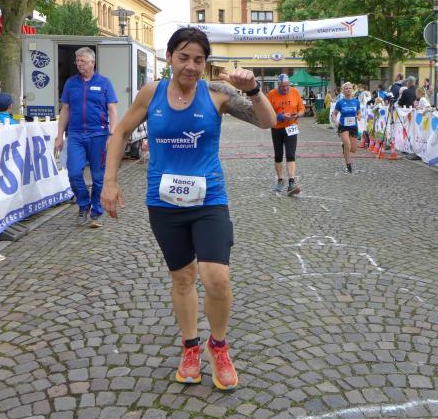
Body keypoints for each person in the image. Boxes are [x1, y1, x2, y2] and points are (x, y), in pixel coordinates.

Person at [100, 27, 275, 390]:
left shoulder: (217, 94)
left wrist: (254, 90)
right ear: (169, 58)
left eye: (198, 59)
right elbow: (120, 133)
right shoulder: (152, 93)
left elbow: (267, 121)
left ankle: (218, 347)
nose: (191, 66)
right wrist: (110, 182)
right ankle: (190, 346)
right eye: (183, 57)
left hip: (209, 200)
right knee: (182, 278)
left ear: (205, 62)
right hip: (164, 203)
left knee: (217, 278)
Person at [56, 47, 118, 228]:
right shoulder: (71, 83)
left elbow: (112, 110)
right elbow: (65, 110)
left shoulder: (104, 83)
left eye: (82, 61)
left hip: (98, 135)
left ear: (92, 62)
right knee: (74, 172)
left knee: (98, 177)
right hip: (75, 135)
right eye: (77, 61)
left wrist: (112, 134)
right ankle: (84, 205)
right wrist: (59, 135)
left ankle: (96, 212)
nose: (79, 64)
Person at [267, 74, 304, 195]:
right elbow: (268, 113)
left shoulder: (295, 92)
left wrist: (298, 114)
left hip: (291, 127)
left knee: (290, 154)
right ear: (278, 85)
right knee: (278, 155)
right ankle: (280, 180)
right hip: (277, 128)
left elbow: (301, 109)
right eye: (283, 86)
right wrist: (281, 116)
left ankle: (291, 182)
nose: (286, 88)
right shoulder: (272, 94)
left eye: (287, 85)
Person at [331, 82, 361, 173]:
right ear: (343, 91)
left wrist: (359, 116)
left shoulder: (356, 101)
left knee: (353, 149)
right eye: (346, 88)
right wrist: (336, 121)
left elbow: (359, 113)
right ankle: (348, 165)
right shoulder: (340, 102)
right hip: (343, 126)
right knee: (348, 144)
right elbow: (334, 114)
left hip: (353, 126)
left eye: (349, 88)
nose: (348, 90)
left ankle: (344, 147)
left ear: (352, 90)